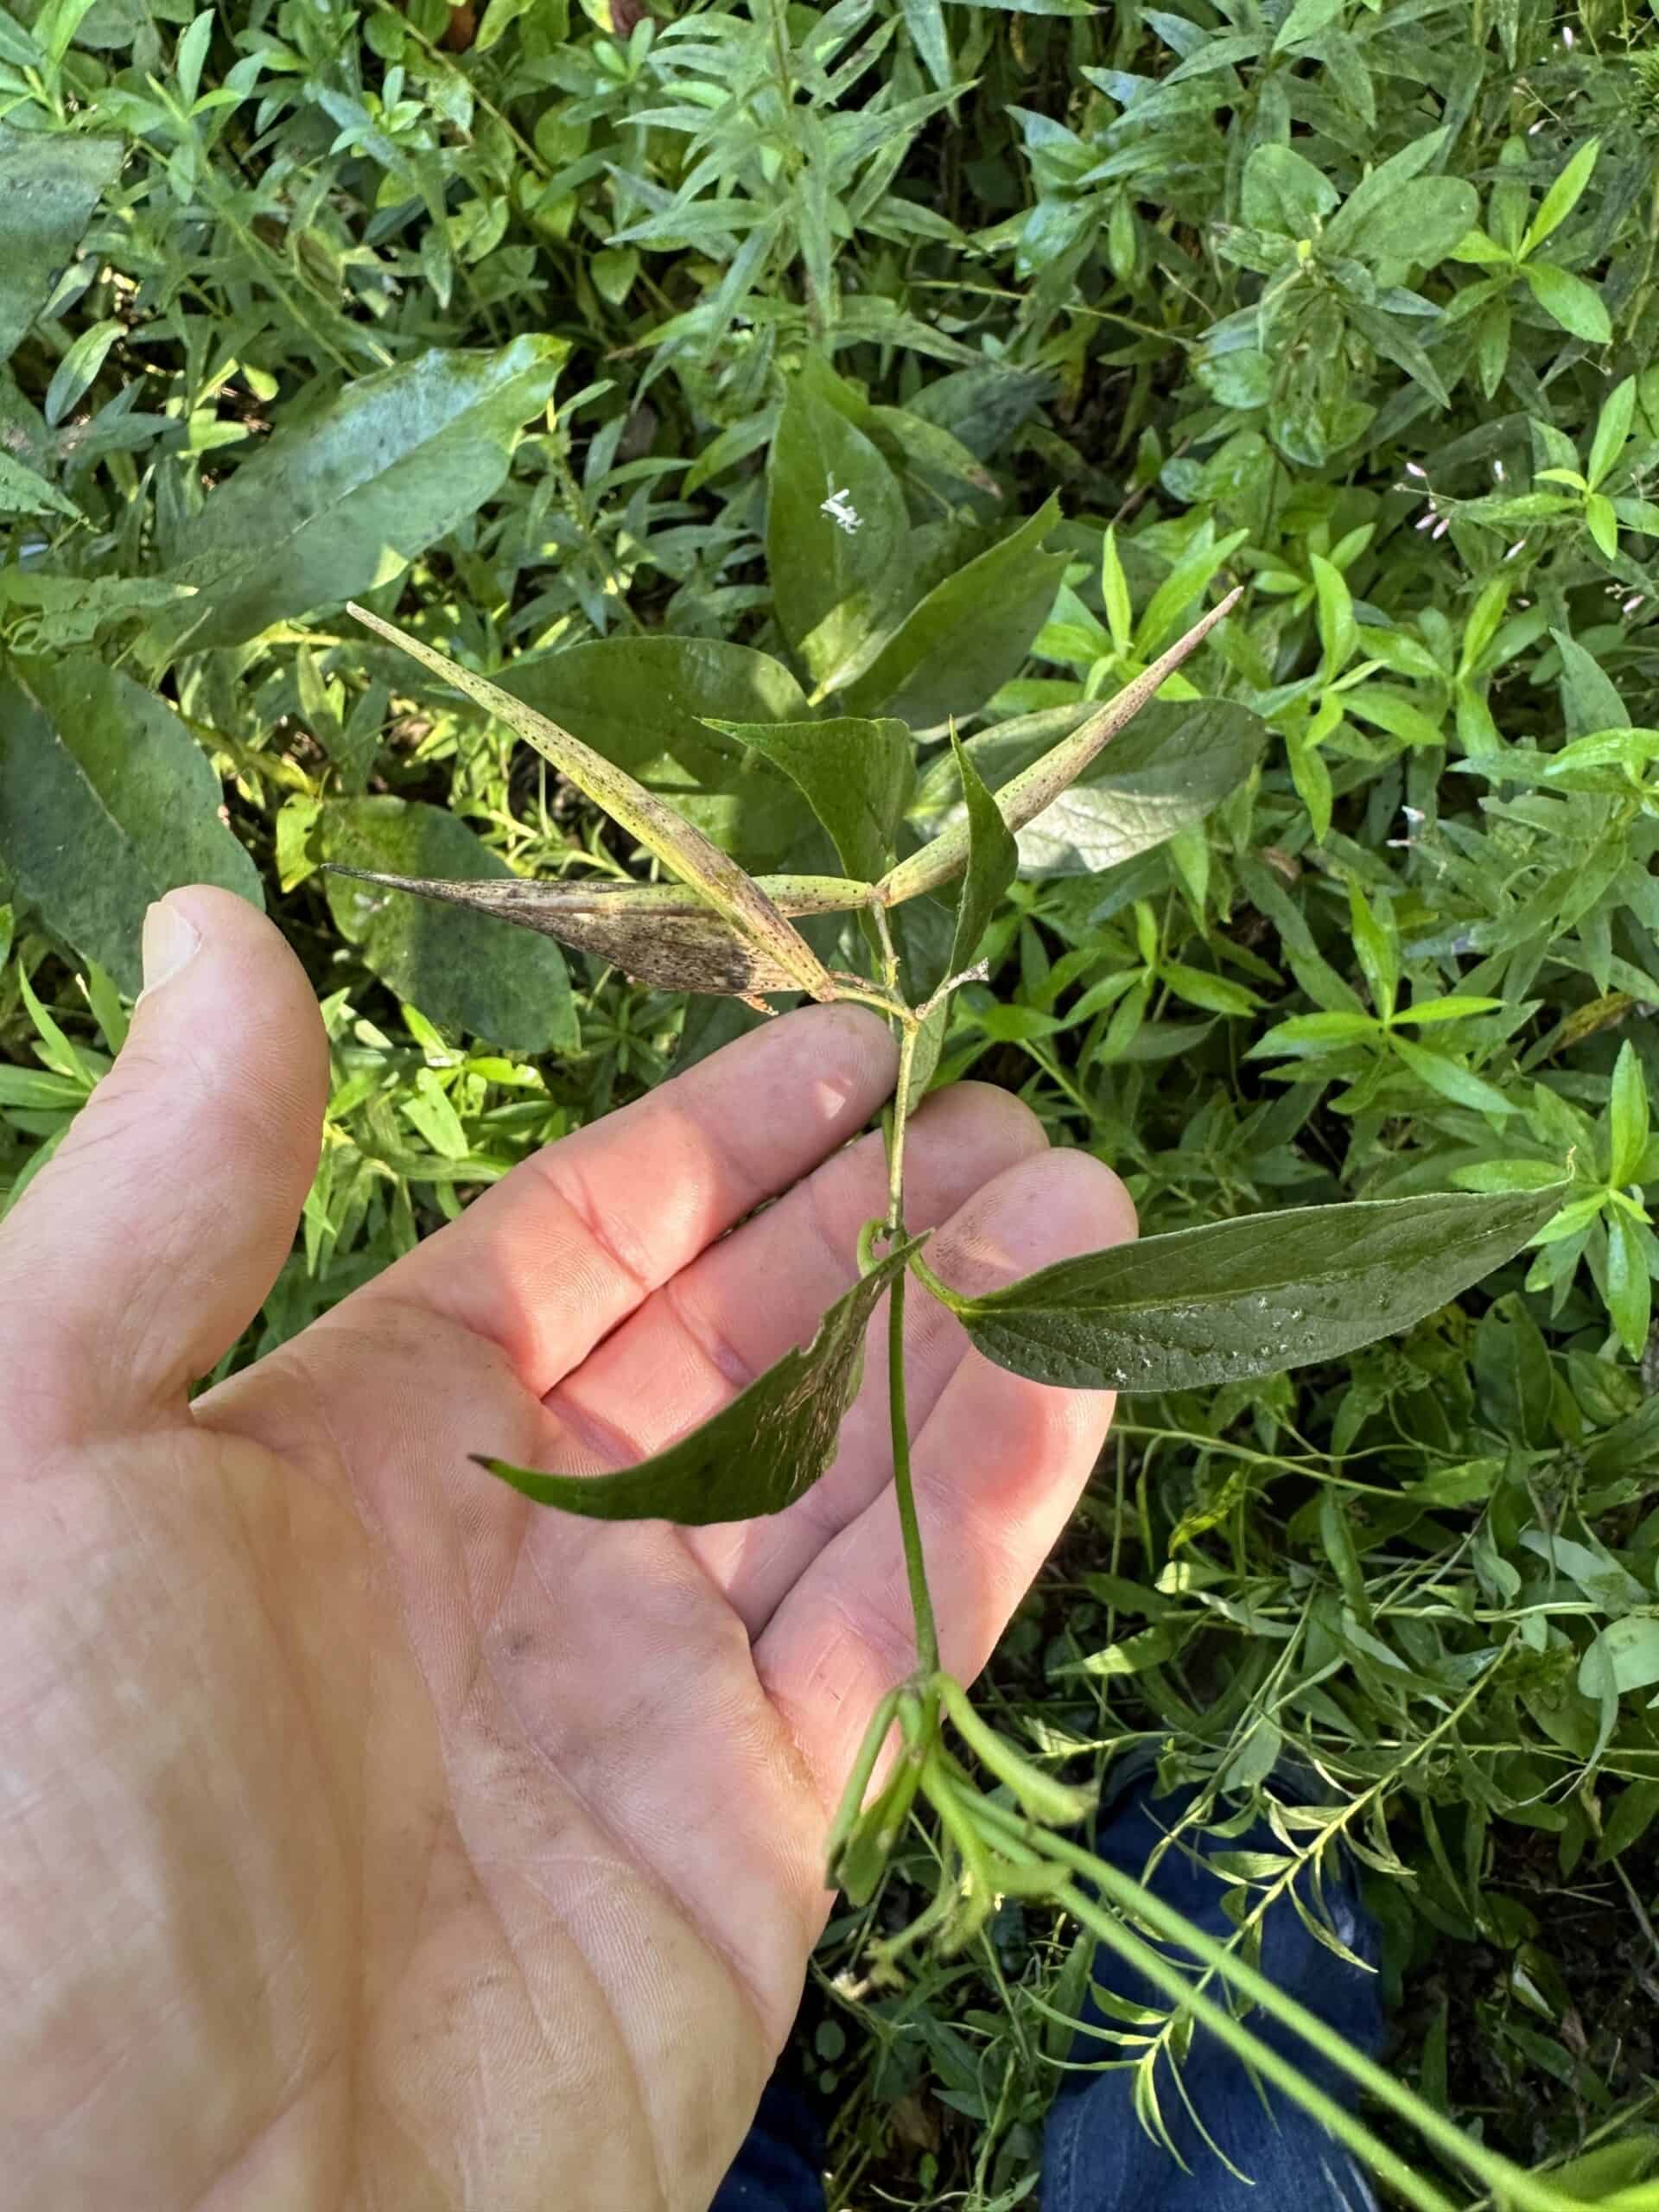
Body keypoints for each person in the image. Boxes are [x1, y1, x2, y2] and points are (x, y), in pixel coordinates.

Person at [0, 887, 1381, 2211]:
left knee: (721, 2112)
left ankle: (802, 2077)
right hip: (567, 2081)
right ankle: (1228, 1847)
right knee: (1237, 2078)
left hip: (558, 2094)